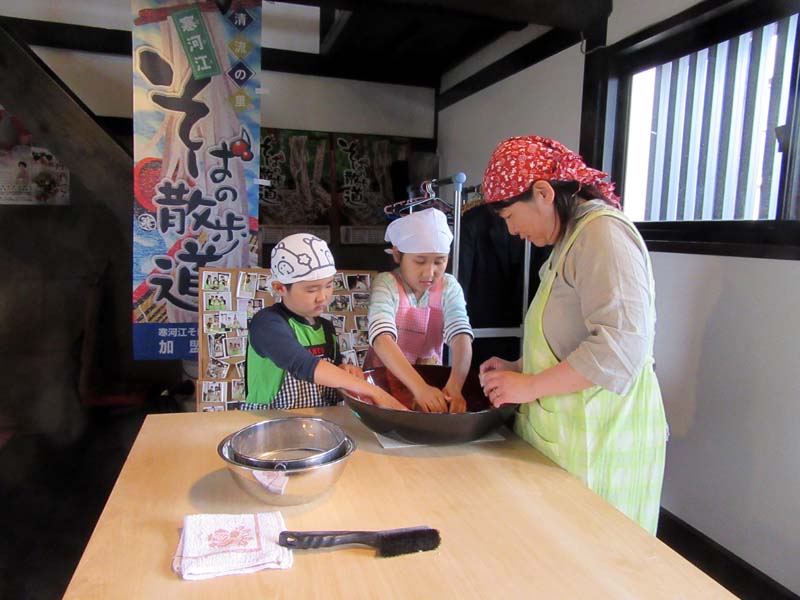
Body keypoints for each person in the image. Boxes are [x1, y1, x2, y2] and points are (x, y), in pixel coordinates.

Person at [477, 135, 668, 534]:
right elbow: (570, 337)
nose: (511, 231)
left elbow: (620, 348)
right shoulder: (572, 238)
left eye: (510, 216)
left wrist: (531, 386)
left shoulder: (604, 234)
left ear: (543, 193)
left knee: (597, 554)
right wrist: (521, 366)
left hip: (604, 438)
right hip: (573, 434)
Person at [245, 233, 406, 411]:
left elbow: (331, 384)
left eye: (329, 285)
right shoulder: (267, 323)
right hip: (272, 421)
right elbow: (303, 365)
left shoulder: (327, 328)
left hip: (318, 421)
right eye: (311, 289)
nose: (322, 297)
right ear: (280, 288)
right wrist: (375, 392)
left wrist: (345, 371)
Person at [365, 208, 473, 413]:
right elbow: (381, 338)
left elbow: (461, 335)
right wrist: (419, 388)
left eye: (439, 261)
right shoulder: (386, 284)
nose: (430, 272)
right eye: (420, 261)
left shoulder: (449, 287)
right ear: (397, 254)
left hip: (430, 384)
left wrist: (455, 386)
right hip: (383, 387)